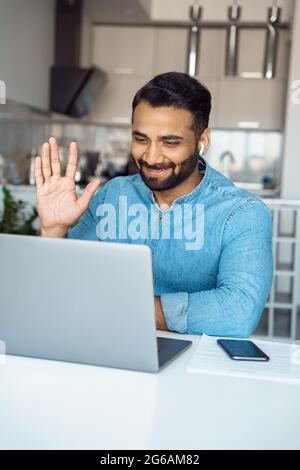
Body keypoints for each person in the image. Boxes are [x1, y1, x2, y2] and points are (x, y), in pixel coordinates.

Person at [35, 72, 273, 337]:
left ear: (202, 140)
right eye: (141, 139)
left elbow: (238, 312)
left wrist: (124, 308)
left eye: (170, 142)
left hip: (193, 370)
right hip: (105, 347)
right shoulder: (112, 195)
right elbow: (63, 286)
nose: (151, 156)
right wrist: (54, 230)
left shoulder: (242, 213)